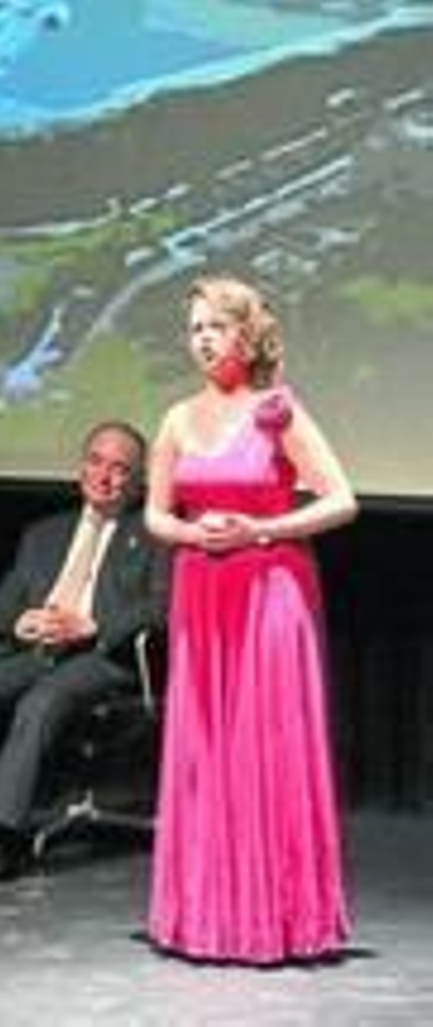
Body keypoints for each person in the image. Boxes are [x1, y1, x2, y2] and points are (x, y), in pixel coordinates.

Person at [144, 274, 357, 965]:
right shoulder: (177, 418)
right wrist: (190, 535)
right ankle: (205, 913)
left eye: (216, 326)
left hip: (270, 590)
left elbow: (341, 499)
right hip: (202, 593)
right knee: (207, 743)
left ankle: (278, 914)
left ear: (246, 334)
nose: (203, 339)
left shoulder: (276, 411)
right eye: (195, 328)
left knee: (262, 742)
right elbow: (153, 512)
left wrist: (262, 531)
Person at [0, 422, 167, 886]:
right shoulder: (44, 533)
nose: (104, 476)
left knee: (42, 700)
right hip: (36, 650)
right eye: (96, 462)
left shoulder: (154, 532)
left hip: (102, 657)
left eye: (119, 469)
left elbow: (163, 606)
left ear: (138, 481)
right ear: (82, 466)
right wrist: (18, 622)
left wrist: (94, 625)